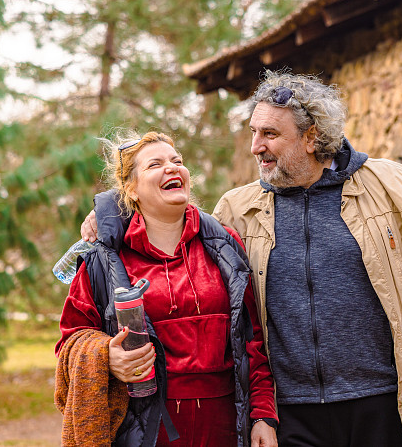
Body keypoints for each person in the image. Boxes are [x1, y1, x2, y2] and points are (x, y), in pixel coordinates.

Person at [80, 73, 402, 447]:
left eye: (270, 134)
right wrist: (113, 213)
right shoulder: (236, 209)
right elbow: (173, 231)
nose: (256, 146)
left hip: (385, 403)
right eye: (254, 132)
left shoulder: (395, 186)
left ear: (311, 137)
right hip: (289, 415)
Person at [55, 131, 278, 447]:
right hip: (145, 430)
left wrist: (263, 416)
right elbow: (70, 340)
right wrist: (106, 356)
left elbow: (252, 341)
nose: (172, 168)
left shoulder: (225, 245)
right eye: (155, 164)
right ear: (131, 189)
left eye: (178, 161)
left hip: (226, 426)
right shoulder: (101, 257)